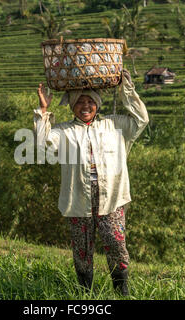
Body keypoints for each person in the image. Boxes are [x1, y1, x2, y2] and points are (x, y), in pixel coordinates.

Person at [34, 70, 149, 296]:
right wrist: (43, 110)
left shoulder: (114, 125)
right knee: (82, 250)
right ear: (72, 106)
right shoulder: (64, 131)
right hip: (78, 199)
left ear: (97, 104)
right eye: (79, 102)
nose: (85, 106)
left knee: (116, 245)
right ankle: (84, 294)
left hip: (112, 198)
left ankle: (121, 290)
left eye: (90, 101)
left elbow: (141, 119)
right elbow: (41, 144)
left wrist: (127, 90)